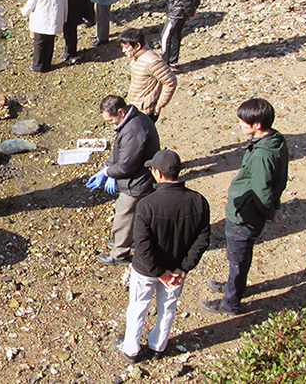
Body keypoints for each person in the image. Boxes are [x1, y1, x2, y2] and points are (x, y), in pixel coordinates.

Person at [118, 150, 211, 363]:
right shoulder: (198, 202)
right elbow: (203, 239)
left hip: (146, 270)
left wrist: (160, 273)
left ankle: (131, 349)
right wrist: (183, 268)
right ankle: (158, 345)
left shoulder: (146, 205)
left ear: (157, 173)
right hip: (177, 267)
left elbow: (142, 245)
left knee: (138, 306)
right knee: (168, 307)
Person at [202, 98, 289, 315]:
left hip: (245, 216)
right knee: (238, 258)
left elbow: (263, 192)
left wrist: (271, 212)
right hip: (249, 213)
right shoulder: (274, 140)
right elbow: (278, 180)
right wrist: (275, 208)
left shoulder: (261, 155)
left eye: (243, 121)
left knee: (238, 260)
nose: (239, 124)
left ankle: (230, 303)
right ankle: (233, 286)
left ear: (257, 125)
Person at [86, 95, 160, 266]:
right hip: (136, 178)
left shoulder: (134, 130)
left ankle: (120, 253)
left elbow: (127, 166)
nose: (110, 122)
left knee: (125, 215)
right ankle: (124, 240)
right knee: (128, 212)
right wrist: (108, 165)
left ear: (120, 111)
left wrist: (108, 172)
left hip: (137, 182)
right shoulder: (131, 120)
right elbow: (120, 151)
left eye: (110, 119)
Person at [119, 28, 177, 122]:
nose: (123, 50)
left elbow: (170, 81)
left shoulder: (152, 61)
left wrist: (160, 104)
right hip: (135, 107)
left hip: (145, 112)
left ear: (137, 46)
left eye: (126, 47)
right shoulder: (137, 57)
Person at [21, 0, 68, 73]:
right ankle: (47, 64)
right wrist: (64, 18)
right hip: (54, 19)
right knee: (50, 42)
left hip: (41, 20)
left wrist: (24, 12)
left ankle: (37, 66)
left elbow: (32, 2)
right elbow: (65, 2)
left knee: (39, 43)